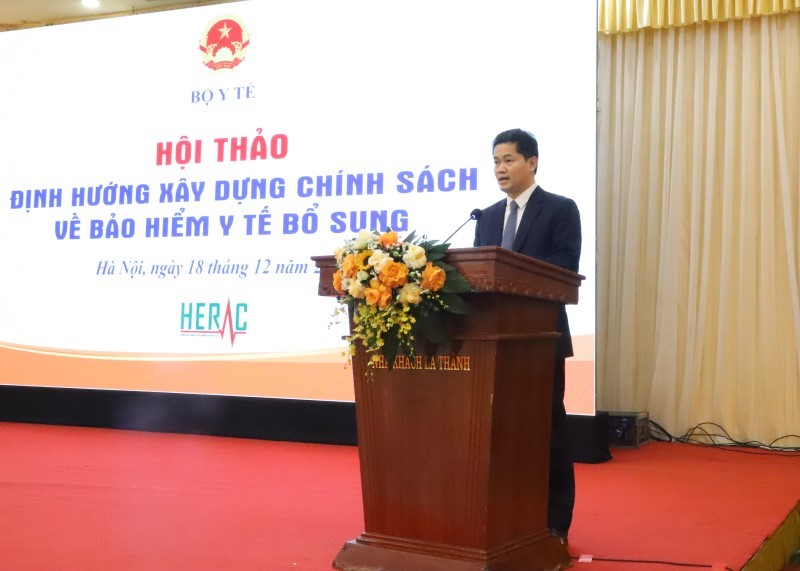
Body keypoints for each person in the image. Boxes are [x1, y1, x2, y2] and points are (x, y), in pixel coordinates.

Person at [473, 128, 582, 542]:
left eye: (509, 160)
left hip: (541, 339)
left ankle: (555, 522)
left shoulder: (560, 209)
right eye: (496, 161)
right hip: (494, 343)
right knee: (500, 435)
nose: (500, 169)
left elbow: (565, 269)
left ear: (531, 162)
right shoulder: (486, 217)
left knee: (547, 430)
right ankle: (508, 518)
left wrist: (514, 272)